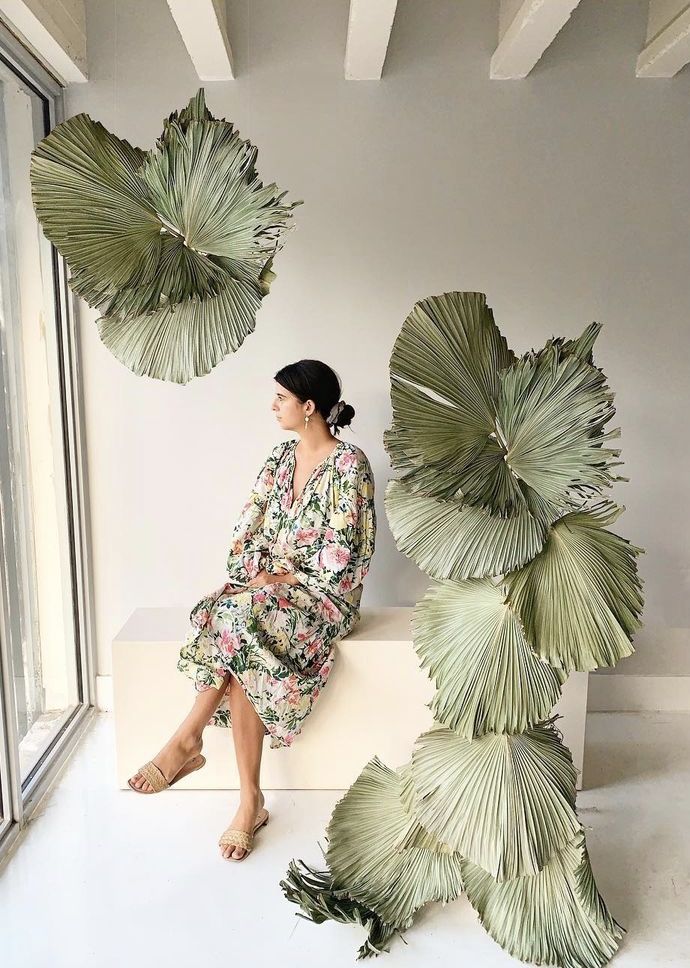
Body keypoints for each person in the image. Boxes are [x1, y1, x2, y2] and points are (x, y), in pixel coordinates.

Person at [127, 359, 377, 862]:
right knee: (242, 621)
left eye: (281, 398)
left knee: (243, 616)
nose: (273, 406)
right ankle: (249, 800)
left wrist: (282, 574)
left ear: (309, 408)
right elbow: (243, 536)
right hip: (265, 593)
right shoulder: (277, 461)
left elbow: (344, 554)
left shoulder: (351, 465)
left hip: (324, 599)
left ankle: (188, 739)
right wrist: (265, 574)